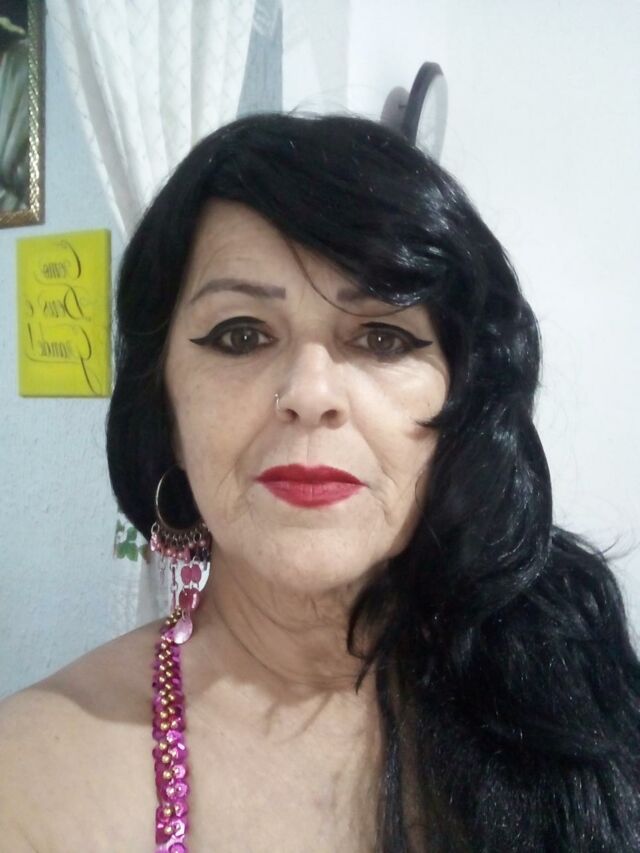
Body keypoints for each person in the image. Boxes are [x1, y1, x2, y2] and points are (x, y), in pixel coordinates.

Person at [1, 111, 639, 852]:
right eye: (241, 334)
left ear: (464, 400)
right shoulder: (33, 782)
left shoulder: (569, 668)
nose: (310, 393)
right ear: (165, 406)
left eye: (383, 337)